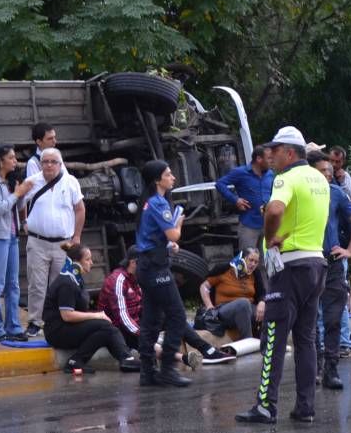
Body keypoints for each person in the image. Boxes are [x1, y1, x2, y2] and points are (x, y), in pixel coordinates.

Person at [236, 126, 330, 425]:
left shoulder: (285, 178)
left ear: (289, 152)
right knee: (305, 339)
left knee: (273, 337)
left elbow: (276, 210)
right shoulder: (319, 178)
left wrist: (269, 236)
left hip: (289, 266)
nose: (270, 156)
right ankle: (305, 408)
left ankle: (265, 406)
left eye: (275, 151)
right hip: (316, 263)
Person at [102, 248, 233, 370]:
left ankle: (207, 350)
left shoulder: (139, 276)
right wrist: (144, 333)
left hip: (138, 323)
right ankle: (178, 358)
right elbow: (122, 317)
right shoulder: (118, 280)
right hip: (121, 330)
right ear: (133, 263)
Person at [133, 159, 193, 387]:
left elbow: (154, 237)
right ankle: (168, 368)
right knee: (177, 316)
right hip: (155, 268)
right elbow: (173, 235)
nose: (173, 178)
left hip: (148, 264)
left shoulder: (148, 202)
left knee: (152, 320)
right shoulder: (158, 203)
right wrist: (179, 224)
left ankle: (148, 372)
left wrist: (169, 246)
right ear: (158, 180)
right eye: (168, 174)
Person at [309, 150, 351, 390]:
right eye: (323, 171)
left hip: (331, 264)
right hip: (308, 263)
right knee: (311, 320)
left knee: (333, 319)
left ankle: (331, 369)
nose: (328, 175)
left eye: (330, 171)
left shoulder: (336, 193)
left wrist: (349, 250)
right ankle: (315, 367)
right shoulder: (300, 192)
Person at [43, 244, 142, 374]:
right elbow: (67, 315)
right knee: (104, 325)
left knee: (105, 331)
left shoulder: (75, 279)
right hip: (57, 332)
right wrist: (96, 315)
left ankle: (76, 362)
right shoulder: (66, 282)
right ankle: (126, 359)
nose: (91, 263)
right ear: (77, 262)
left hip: (67, 327)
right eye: (87, 259)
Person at [20, 147, 85, 337]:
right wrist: (24, 222)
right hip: (37, 241)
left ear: (60, 164)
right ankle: (35, 321)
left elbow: (80, 209)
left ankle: (57, 320)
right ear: (40, 164)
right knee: (37, 284)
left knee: (62, 283)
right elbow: (20, 203)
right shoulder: (31, 182)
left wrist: (77, 236)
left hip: (63, 242)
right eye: (45, 161)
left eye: (53, 162)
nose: (49, 165)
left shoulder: (70, 182)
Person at [0, 143, 32, 342]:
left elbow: (16, 207)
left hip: (11, 236)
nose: (15, 161)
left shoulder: (9, 180)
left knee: (13, 284)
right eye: (11, 157)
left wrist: (22, 194)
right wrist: (17, 194)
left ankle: (13, 327)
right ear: (0, 161)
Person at [214, 147, 274, 252]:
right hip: (249, 225)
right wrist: (235, 200)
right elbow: (220, 184)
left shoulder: (270, 174)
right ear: (259, 159)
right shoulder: (240, 172)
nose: (271, 161)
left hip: (267, 225)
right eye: (269, 158)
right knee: (247, 259)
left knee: (268, 260)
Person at [199, 248, 264, 340]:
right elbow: (204, 286)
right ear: (242, 258)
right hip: (224, 309)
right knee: (243, 303)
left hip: (248, 308)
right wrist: (209, 305)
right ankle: (247, 340)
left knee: (269, 308)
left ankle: (263, 341)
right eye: (251, 260)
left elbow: (261, 292)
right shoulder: (224, 270)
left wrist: (262, 302)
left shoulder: (255, 274)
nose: (253, 264)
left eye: (256, 262)